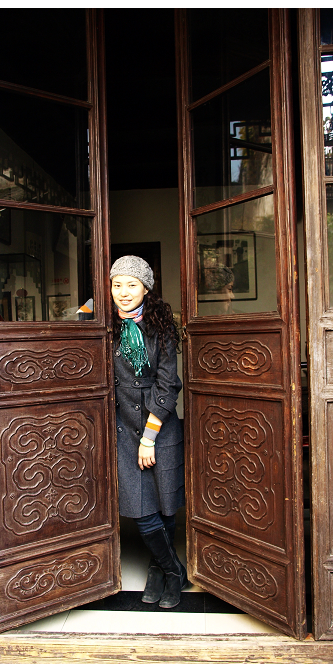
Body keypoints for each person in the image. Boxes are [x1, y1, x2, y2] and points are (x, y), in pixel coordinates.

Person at [110, 255, 187, 609]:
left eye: (132, 284)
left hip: (159, 427)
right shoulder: (105, 328)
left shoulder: (162, 329)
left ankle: (159, 570)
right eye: (117, 284)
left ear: (146, 289)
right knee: (141, 510)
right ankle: (173, 570)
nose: (123, 292)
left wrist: (149, 438)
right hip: (124, 430)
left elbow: (168, 385)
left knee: (166, 505)